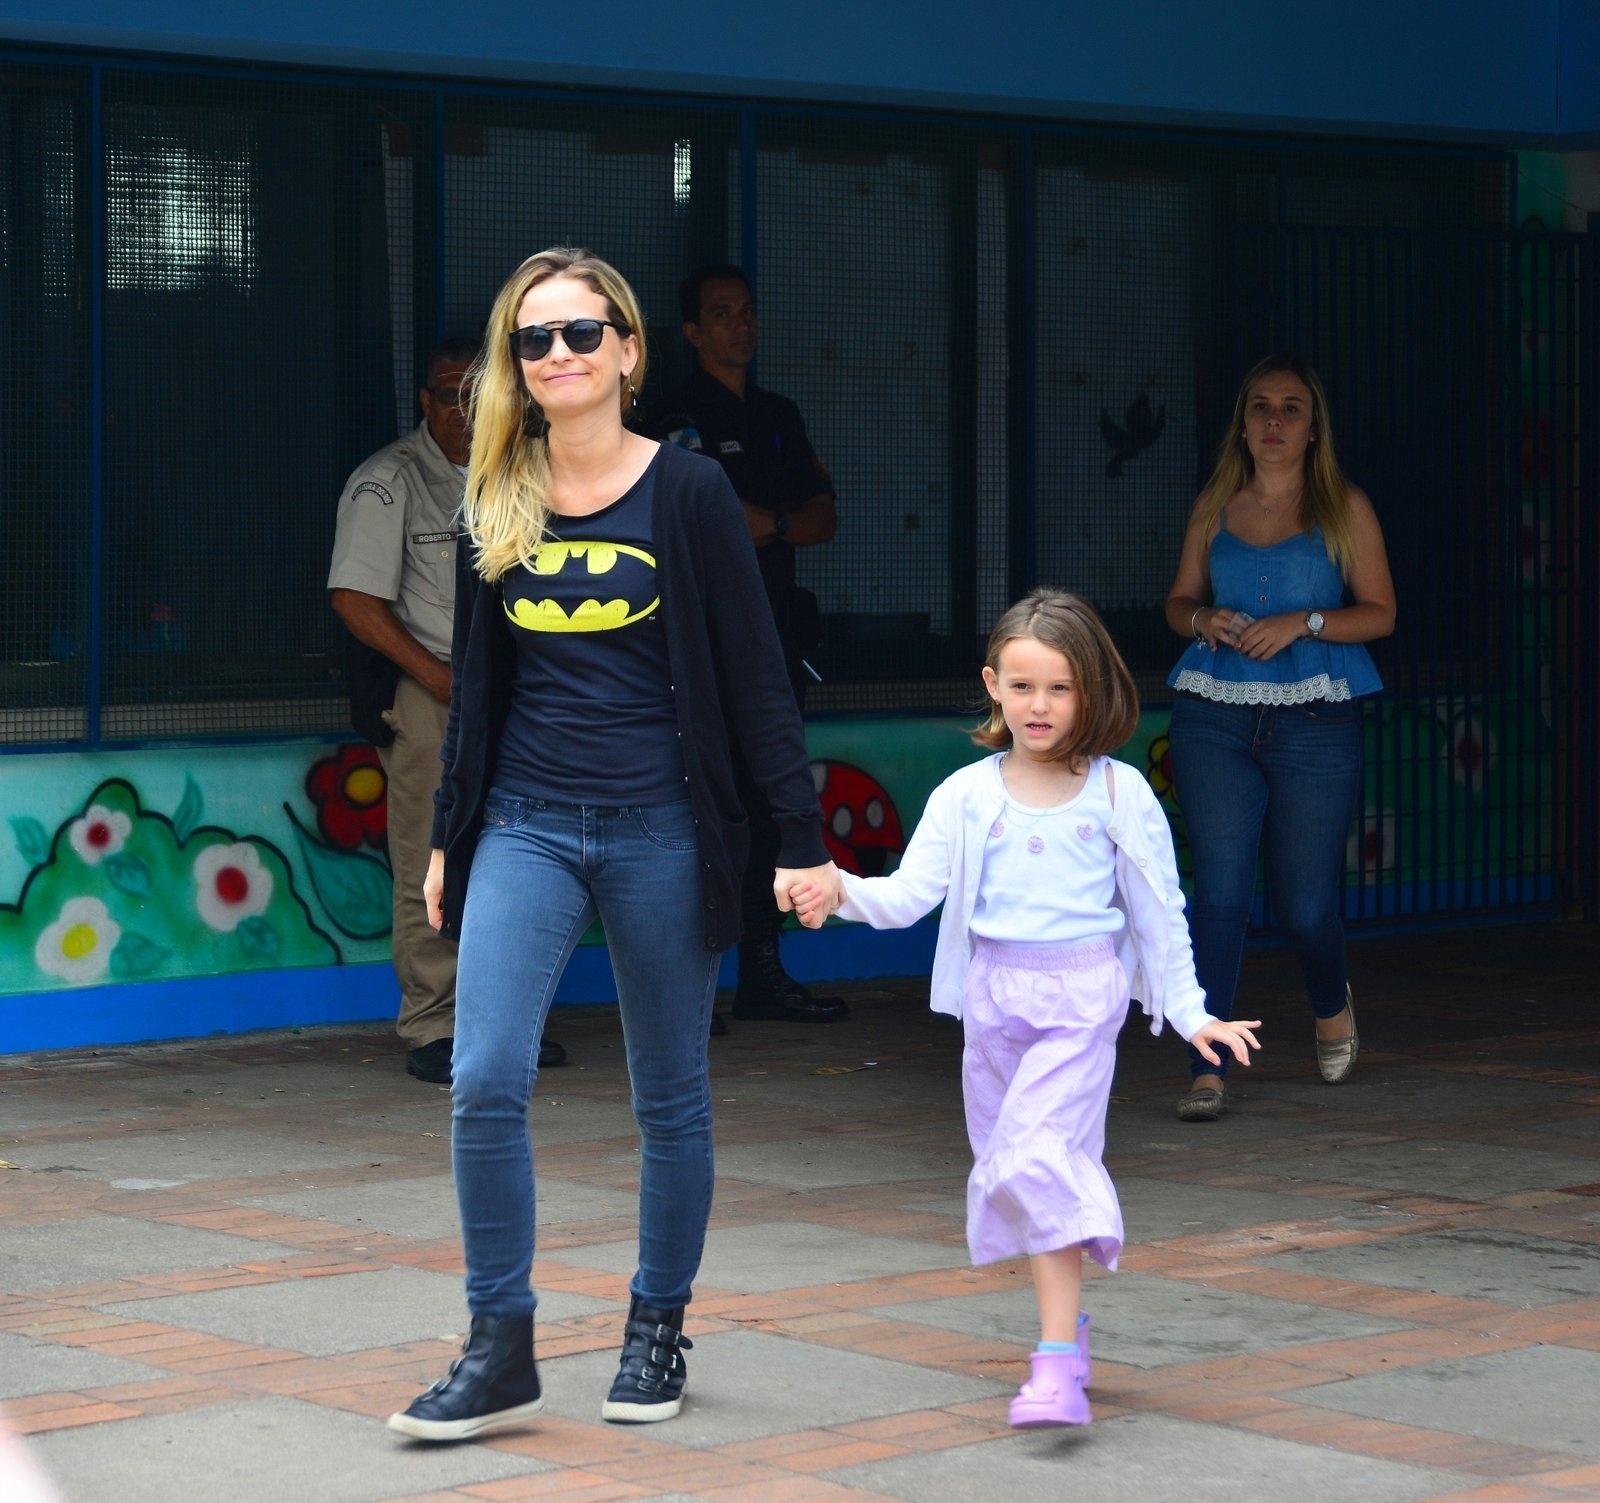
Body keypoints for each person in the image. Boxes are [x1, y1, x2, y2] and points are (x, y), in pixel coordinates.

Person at [386, 248, 843, 1443]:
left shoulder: (688, 495)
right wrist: (452, 838)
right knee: (485, 1078)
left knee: (669, 1095)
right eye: (533, 340)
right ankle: (499, 1343)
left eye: (582, 334)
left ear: (630, 351)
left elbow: (753, 682)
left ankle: (655, 1323)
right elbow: (481, 685)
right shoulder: (503, 488)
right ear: (513, 365)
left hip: (662, 831)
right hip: (528, 823)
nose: (558, 357)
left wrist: (798, 843)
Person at [790, 590, 1260, 1429]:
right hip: (992, 1006)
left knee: (1037, 1157)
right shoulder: (967, 794)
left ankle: (1052, 1367)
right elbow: (904, 898)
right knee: (1029, 1172)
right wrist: (838, 888)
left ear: (1094, 692)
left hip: (1082, 1004)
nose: (1038, 705)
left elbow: (1161, 911)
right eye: (1022, 685)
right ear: (992, 686)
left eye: (1060, 688)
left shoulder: (1119, 795)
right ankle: (1065, 1340)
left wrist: (1193, 1013)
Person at [1162, 353, 1395, 1122]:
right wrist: (1202, 619)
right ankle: (1208, 1062)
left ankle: (1331, 1000)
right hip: (1214, 712)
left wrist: (1306, 621)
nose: (1272, 421)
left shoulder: (1345, 507)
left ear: (1313, 426)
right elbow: (1179, 601)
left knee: (1302, 907)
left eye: (1291, 408)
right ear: (1243, 421)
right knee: (1222, 892)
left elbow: (1381, 612)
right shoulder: (1213, 503)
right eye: (1259, 406)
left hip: (1317, 717)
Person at [329, 340, 565, 1084]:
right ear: (425, 404)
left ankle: (504, 1024)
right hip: (435, 698)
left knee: (524, 859)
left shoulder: (528, 471)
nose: (463, 406)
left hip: (525, 700)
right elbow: (355, 600)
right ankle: (436, 1025)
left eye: (479, 391)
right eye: (447, 393)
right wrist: (440, 678)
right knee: (430, 855)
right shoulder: (387, 482)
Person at [648, 264, 846, 1032]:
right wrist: (768, 516)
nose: (741, 324)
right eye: (721, 313)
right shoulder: (671, 417)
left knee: (772, 801)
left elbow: (823, 514)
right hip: (692, 643)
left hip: (775, 635)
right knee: (696, 805)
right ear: (692, 332)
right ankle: (690, 985)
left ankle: (763, 972)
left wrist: (775, 521)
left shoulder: (777, 413)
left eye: (747, 311)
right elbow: (704, 519)